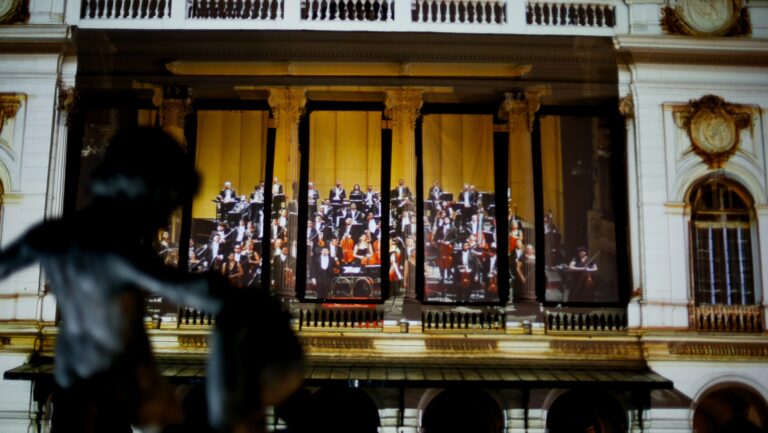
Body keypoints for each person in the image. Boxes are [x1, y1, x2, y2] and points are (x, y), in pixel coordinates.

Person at [0, 128, 303, 433]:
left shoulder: (55, 236)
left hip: (85, 391)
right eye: (162, 206)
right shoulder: (113, 249)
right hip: (114, 397)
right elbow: (190, 291)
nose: (160, 221)